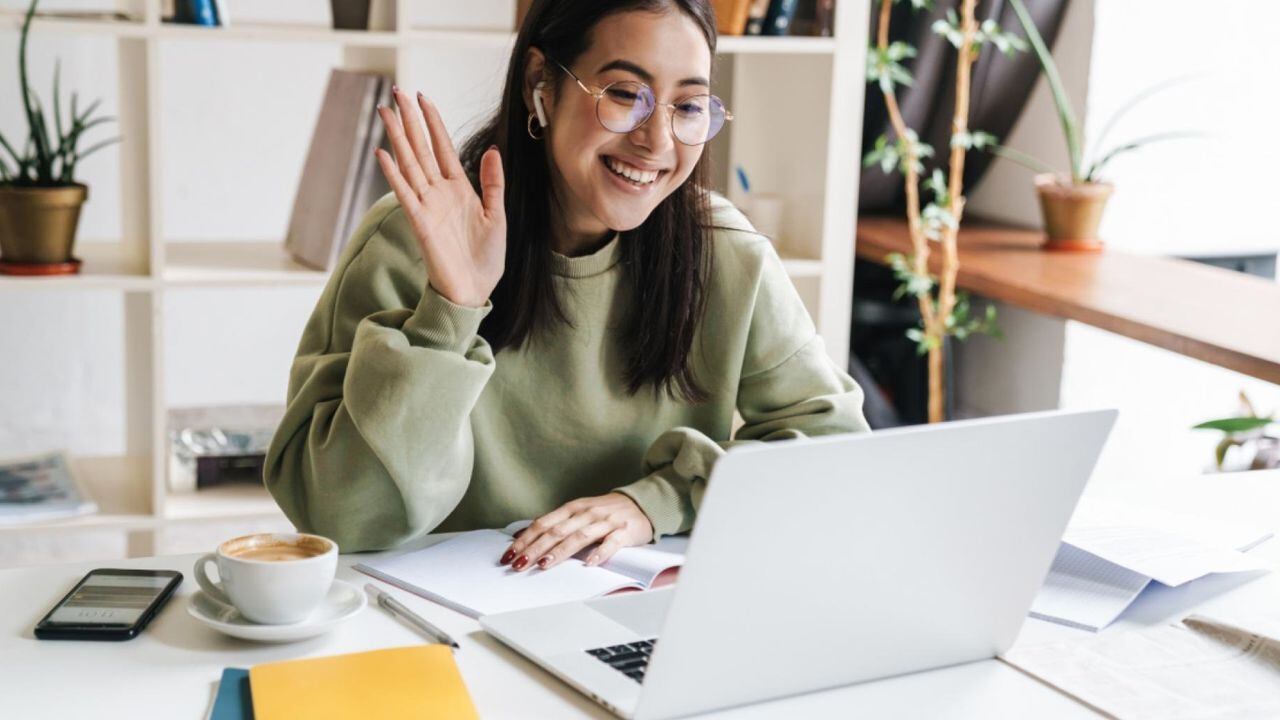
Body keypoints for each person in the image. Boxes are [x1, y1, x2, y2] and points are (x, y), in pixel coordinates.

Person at [263, 0, 869, 571]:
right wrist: (452, 310)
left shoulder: (725, 252)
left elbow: (836, 454)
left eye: (687, 107)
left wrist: (658, 502)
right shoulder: (413, 239)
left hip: (643, 616)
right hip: (442, 627)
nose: (657, 142)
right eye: (625, 95)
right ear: (541, 85)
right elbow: (340, 517)